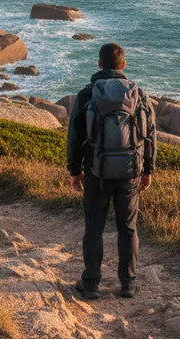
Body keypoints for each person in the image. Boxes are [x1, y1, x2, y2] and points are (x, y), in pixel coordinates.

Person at [67, 43, 156, 300]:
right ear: (123, 65)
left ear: (99, 64)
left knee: (94, 228)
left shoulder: (87, 94)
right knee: (127, 228)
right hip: (130, 172)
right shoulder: (139, 94)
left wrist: (75, 171)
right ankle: (128, 283)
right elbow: (149, 136)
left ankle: (91, 284)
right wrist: (147, 169)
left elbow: (75, 136)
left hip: (96, 172)